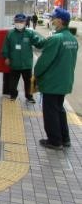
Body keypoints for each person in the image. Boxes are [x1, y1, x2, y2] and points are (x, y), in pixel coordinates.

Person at [34, 8, 78, 150]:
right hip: (65, 81)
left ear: (60, 20)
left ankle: (54, 141)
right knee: (60, 109)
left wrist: (36, 74)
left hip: (52, 82)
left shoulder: (56, 39)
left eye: (53, 18)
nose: (52, 20)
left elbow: (44, 62)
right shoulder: (72, 39)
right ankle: (65, 139)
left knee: (51, 112)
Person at [2, 13, 46, 103]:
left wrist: (46, 40)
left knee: (29, 82)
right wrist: (6, 57)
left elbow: (38, 43)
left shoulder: (30, 33)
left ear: (25, 22)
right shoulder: (10, 34)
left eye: (21, 21)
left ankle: (29, 97)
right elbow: (5, 46)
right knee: (12, 83)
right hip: (14, 63)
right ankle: (13, 95)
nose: (19, 23)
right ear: (14, 22)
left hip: (27, 63)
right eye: (17, 21)